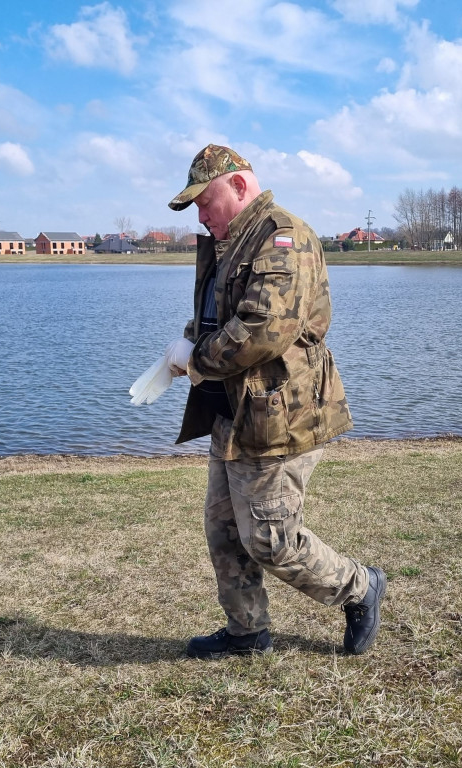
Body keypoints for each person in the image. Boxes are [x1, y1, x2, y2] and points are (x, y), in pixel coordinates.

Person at [164, 144, 386, 659]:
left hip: (279, 417)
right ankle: (247, 632)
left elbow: (262, 331)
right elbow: (223, 315)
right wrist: (187, 344)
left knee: (271, 539)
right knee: (224, 531)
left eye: (205, 201)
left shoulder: (282, 239)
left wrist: (196, 358)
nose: (201, 215)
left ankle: (360, 586)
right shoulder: (233, 243)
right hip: (234, 414)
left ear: (239, 186)